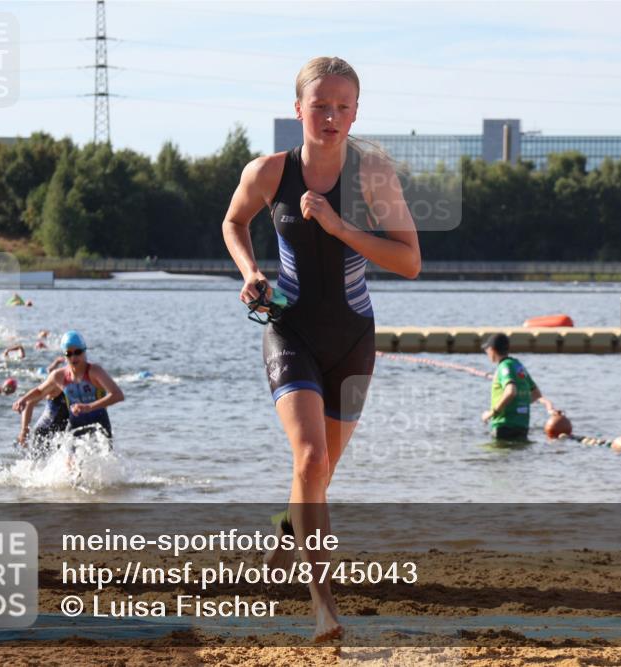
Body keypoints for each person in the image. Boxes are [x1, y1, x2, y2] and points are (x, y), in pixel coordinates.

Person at [222, 56, 420, 642]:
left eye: (343, 106)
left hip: (354, 338)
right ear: (298, 109)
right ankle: (322, 607)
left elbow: (409, 260)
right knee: (309, 460)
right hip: (291, 330)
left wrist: (339, 228)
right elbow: (234, 223)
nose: (331, 116)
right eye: (320, 105)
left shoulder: (373, 174)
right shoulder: (268, 172)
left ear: (356, 112)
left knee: (319, 473)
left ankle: (286, 538)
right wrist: (249, 270)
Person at [12, 330, 123, 440]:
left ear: (84, 351)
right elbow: (40, 392)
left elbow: (118, 395)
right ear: (64, 356)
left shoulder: (95, 371)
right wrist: (23, 399)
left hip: (99, 424)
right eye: (68, 354)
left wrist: (89, 407)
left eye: (77, 352)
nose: (73, 357)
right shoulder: (59, 376)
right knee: (69, 457)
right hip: (75, 425)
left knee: (101, 457)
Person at [480, 333, 555, 441]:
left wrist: (491, 413)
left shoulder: (503, 366)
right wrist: (517, 405)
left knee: (495, 455)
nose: (487, 353)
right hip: (522, 426)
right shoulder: (518, 365)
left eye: (486, 350)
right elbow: (536, 394)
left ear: (492, 350)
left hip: (504, 425)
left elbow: (511, 391)